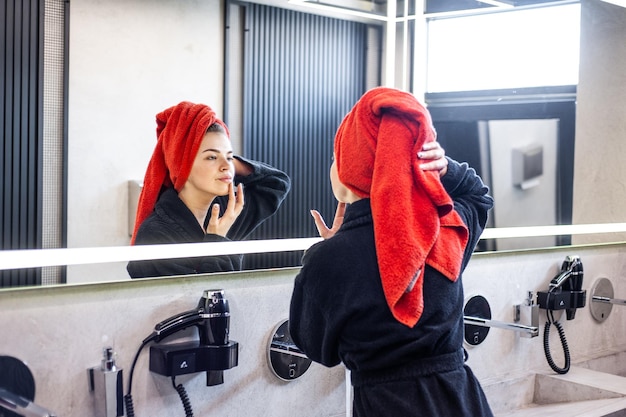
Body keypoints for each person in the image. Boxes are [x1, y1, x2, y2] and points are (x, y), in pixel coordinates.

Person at [289, 87, 495, 417]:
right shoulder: (445, 232)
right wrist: (443, 168)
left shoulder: (329, 261)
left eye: (336, 158)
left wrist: (330, 250)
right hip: (463, 401)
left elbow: (316, 347)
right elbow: (479, 197)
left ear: (350, 170)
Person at [127, 101, 291, 278]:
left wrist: (225, 160)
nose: (225, 166)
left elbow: (277, 183)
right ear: (183, 166)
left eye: (229, 157)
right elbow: (196, 301)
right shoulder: (155, 234)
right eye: (211, 157)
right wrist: (217, 239)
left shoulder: (226, 210)